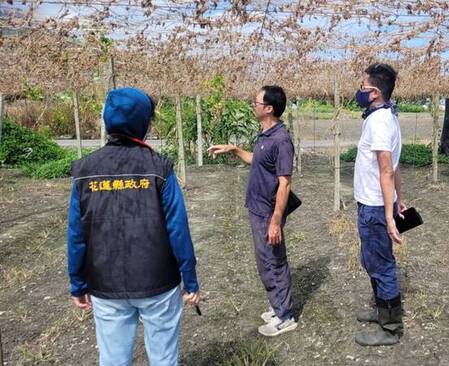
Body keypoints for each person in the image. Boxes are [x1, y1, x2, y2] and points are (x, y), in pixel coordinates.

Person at [66, 87, 200, 366]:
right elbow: (178, 228)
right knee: (164, 358)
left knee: (114, 360)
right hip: (158, 282)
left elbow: (77, 235)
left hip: (105, 283)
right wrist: (190, 279)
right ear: (144, 123)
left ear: (107, 120)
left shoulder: (85, 170)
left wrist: (78, 284)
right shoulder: (159, 168)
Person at [208, 85, 298, 337]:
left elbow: (285, 182)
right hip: (257, 210)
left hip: (269, 213)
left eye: (256, 102)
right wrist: (234, 150)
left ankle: (285, 316)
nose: (253, 106)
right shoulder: (266, 135)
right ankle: (277, 305)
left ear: (269, 108)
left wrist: (276, 221)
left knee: (274, 261)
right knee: (264, 261)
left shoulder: (281, 140)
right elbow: (256, 161)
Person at [352, 63, 406, 347]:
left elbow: (386, 168)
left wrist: (388, 215)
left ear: (374, 92)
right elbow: (394, 168)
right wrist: (400, 198)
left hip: (374, 206)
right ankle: (380, 309)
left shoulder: (380, 122)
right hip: (373, 202)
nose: (359, 91)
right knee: (370, 260)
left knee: (382, 265)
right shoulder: (386, 116)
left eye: (363, 87)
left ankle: (391, 328)